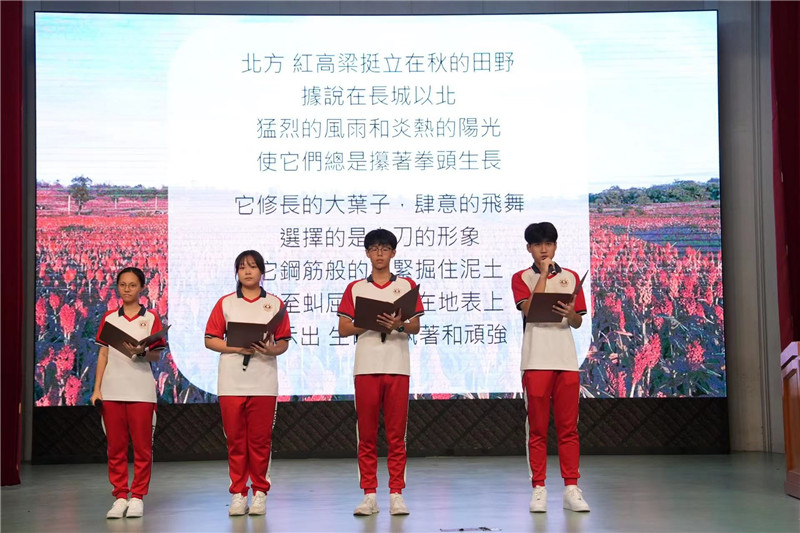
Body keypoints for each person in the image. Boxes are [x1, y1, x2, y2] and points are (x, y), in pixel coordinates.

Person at [337, 229, 424, 516]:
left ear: (393, 253)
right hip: (366, 367)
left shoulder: (406, 286)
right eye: (374, 249)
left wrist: (397, 324)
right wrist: (371, 321)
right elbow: (343, 328)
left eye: (385, 248)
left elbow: (415, 326)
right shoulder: (355, 288)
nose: (379, 254)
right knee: (367, 435)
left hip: (397, 366)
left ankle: (396, 493)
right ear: (367, 253)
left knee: (397, 435)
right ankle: (369, 495)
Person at [510, 222, 591, 513]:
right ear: (529, 248)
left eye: (548, 243)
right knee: (538, 429)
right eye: (537, 244)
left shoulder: (570, 277)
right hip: (535, 361)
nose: (543, 249)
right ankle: (539, 488)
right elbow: (530, 311)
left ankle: (571, 488)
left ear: (555, 246)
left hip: (566, 361)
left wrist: (571, 313)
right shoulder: (521, 277)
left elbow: (577, 321)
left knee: (569, 428)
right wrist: (543, 275)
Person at [204, 250, 291, 516]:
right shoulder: (226, 303)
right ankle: (239, 493)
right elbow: (210, 339)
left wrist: (270, 349)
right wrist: (236, 347)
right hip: (231, 381)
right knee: (235, 440)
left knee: (260, 440)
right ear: (236, 273)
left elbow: (283, 342)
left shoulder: (274, 304)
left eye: (253, 266)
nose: (248, 271)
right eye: (242, 267)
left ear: (262, 271)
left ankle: (260, 492)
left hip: (263, 381)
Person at [91, 266, 166, 519]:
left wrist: (142, 352)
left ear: (142, 288)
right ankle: (120, 496)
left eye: (132, 285)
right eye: (123, 285)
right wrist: (97, 389)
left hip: (141, 392)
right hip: (112, 391)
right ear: (117, 287)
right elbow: (103, 353)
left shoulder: (151, 317)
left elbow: (157, 356)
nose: (127, 289)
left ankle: (138, 497)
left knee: (143, 449)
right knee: (116, 448)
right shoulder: (109, 318)